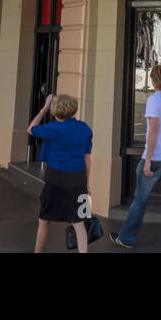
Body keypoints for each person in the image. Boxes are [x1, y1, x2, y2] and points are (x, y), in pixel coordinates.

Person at [113, 64, 161, 248]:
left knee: (140, 200)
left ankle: (126, 238)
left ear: (154, 81)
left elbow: (153, 133)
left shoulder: (154, 100)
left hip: (155, 157)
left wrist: (147, 161)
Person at [28, 93, 93, 253]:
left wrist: (44, 108)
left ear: (55, 110)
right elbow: (87, 160)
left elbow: (31, 129)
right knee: (79, 223)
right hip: (78, 179)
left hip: (55, 179)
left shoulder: (53, 128)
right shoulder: (84, 128)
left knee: (44, 221)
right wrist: (86, 183)